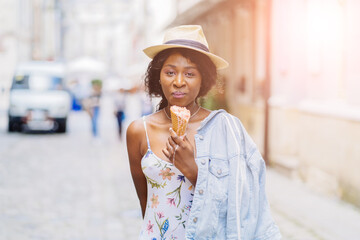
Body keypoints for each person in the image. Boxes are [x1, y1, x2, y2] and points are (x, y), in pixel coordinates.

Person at [126, 25, 281, 240]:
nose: (178, 81)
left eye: (190, 73)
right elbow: (147, 204)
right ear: (158, 76)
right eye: (170, 72)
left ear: (203, 80)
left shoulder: (226, 129)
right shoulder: (138, 131)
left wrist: (193, 170)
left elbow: (244, 203)